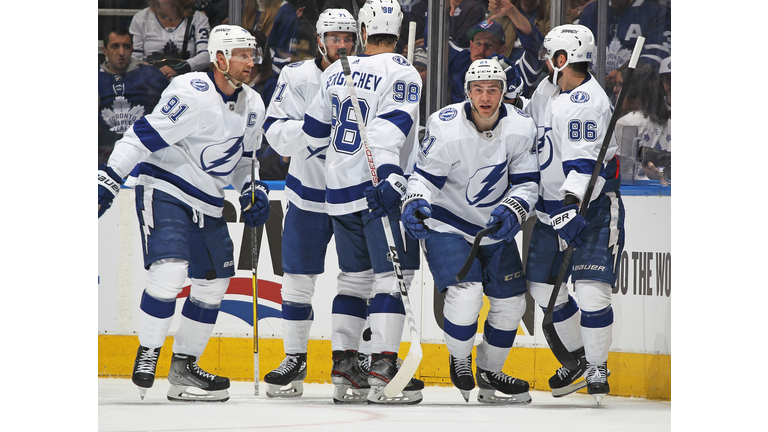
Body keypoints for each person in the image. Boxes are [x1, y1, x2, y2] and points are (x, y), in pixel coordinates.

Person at [97, 24, 270, 402]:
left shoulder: (254, 104)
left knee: (213, 285)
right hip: (165, 186)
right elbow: (143, 135)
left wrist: (250, 190)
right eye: (241, 54)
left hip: (208, 200)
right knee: (171, 270)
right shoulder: (190, 92)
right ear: (219, 59)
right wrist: (110, 177)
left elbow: (244, 162)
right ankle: (148, 352)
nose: (249, 61)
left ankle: (184, 367)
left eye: (251, 54)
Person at [301, 0, 424, 405]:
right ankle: (384, 368)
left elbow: (315, 133)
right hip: (379, 188)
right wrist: (390, 175)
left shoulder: (337, 70)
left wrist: (341, 166)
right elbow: (391, 131)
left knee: (353, 279)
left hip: (338, 191)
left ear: (364, 31)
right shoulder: (404, 70)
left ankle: (345, 366)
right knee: (393, 278)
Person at [401, 58, 539, 404]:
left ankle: (490, 372)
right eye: (478, 89)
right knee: (466, 296)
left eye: (493, 89)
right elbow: (423, 177)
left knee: (511, 304)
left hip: (492, 225)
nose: (485, 96)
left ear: (504, 92)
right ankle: (460, 357)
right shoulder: (445, 126)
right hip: (448, 222)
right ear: (467, 92)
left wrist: (515, 207)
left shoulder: (521, 127)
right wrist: (416, 200)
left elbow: (527, 182)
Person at [260, 8, 359, 400]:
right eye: (335, 37)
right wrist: (315, 133)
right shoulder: (297, 76)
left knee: (357, 282)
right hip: (306, 194)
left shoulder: (369, 76)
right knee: (297, 283)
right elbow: (274, 131)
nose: (342, 44)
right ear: (319, 40)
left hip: (353, 196)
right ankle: (295, 359)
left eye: (348, 37)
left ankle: (349, 363)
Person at [523, 24, 625, 403]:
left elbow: (584, 167)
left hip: (590, 210)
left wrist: (569, 207)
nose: (546, 63)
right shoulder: (551, 91)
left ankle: (597, 365)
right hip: (552, 212)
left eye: (550, 56)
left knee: (591, 291)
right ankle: (580, 359)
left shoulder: (584, 101)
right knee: (542, 288)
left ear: (562, 59)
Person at [99, 26, 170, 165]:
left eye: (126, 46)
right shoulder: (95, 79)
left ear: (132, 49)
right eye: (115, 46)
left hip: (146, 157)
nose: (121, 52)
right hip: (104, 157)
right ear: (104, 51)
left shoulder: (151, 76)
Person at [578, 0, 671, 97]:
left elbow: (656, 56)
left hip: (635, 96)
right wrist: (585, 72)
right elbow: (578, 48)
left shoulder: (657, 12)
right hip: (592, 92)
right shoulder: (592, 10)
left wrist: (623, 74)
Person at [448, 19, 542, 104]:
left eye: (489, 44)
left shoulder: (512, 74)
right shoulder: (460, 61)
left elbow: (539, 52)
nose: (482, 50)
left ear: (502, 50)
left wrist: (512, 12)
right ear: (471, 45)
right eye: (478, 43)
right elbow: (436, 37)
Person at [613, 61, 671, 185]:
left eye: (620, 85)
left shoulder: (625, 123)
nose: (615, 90)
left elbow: (623, 173)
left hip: (636, 193)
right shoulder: (668, 121)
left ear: (634, 88)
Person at [130, 0, 211, 79]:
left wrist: (178, 68)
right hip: (150, 82)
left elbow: (206, 56)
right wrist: (152, 72)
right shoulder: (141, 18)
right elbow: (135, 58)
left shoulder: (198, 18)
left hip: (186, 81)